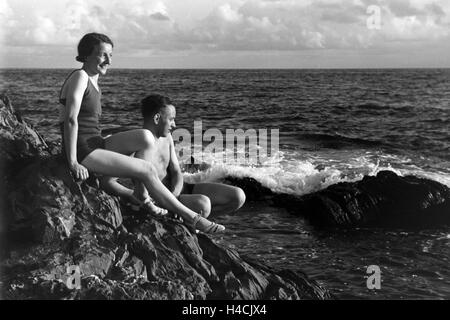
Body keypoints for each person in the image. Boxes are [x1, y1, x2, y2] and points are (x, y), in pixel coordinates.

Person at [59, 32, 225, 234]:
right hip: (83, 149)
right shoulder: (80, 76)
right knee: (146, 169)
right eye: (104, 55)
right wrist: (73, 162)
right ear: (87, 55)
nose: (109, 61)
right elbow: (70, 119)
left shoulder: (93, 81)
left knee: (146, 137)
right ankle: (191, 217)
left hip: (95, 142)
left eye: (111, 56)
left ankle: (139, 194)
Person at [100, 94, 246, 219]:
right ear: (157, 118)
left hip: (178, 192)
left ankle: (185, 222)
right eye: (171, 119)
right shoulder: (138, 144)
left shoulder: (167, 137)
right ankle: (184, 221)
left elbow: (176, 171)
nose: (174, 124)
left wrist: (174, 195)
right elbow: (107, 181)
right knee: (203, 204)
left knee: (238, 196)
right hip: (159, 199)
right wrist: (133, 195)